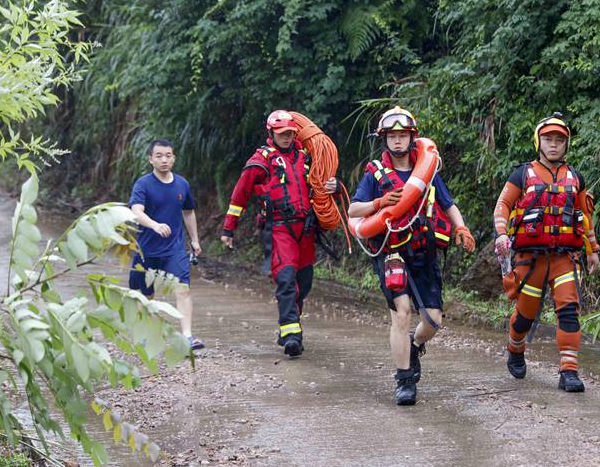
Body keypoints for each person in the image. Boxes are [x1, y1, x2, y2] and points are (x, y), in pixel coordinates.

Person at [348, 106, 476, 406]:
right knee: (402, 312)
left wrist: (461, 226)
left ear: (411, 138)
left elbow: (448, 203)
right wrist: (379, 202)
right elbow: (353, 210)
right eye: (391, 136)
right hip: (391, 252)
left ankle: (414, 345)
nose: (397, 142)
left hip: (423, 252)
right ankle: (404, 380)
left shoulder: (427, 172)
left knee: (433, 320)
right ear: (384, 139)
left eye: (402, 135)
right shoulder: (375, 174)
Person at [493, 113, 600, 392]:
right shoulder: (522, 174)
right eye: (548, 139)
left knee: (568, 310)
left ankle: (569, 371)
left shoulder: (576, 177)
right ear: (538, 141)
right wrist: (502, 234)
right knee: (525, 316)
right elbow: (503, 205)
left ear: (566, 145)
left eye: (559, 140)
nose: (553, 145)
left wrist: (593, 249)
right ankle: (515, 348)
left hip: (565, 257)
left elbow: (584, 215)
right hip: (531, 259)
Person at [220, 110, 338, 357]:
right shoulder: (261, 161)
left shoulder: (307, 157)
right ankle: (291, 334)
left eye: (290, 133)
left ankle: (290, 324)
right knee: (286, 279)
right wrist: (229, 227)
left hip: (305, 228)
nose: (286, 137)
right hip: (279, 228)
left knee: (303, 283)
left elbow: (321, 186)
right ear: (271, 132)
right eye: (282, 133)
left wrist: (333, 186)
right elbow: (239, 195)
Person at [129, 138, 204, 350]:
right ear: (150, 159)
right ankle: (145, 333)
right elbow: (136, 211)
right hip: (146, 250)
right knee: (145, 295)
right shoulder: (142, 184)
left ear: (174, 158)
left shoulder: (182, 184)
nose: (164, 160)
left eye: (168, 156)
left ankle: (187, 336)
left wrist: (195, 239)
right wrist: (154, 225)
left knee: (183, 289)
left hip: (175, 249)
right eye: (159, 156)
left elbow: (188, 212)